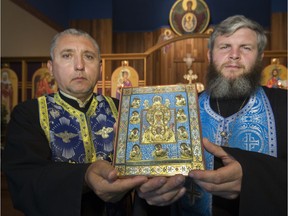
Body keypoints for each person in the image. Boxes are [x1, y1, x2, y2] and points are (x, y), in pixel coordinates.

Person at [135, 15, 287, 216]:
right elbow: (156, 171)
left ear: (260, 57)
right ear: (209, 56)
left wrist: (254, 178)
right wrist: (152, 190)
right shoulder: (180, 108)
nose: (234, 55)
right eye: (225, 47)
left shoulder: (283, 104)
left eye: (246, 48)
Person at [2, 28, 152, 216]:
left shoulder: (123, 110)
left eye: (88, 57)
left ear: (100, 67)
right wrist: (85, 175)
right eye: (67, 55)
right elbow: (25, 180)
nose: (79, 65)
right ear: (50, 68)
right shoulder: (29, 114)